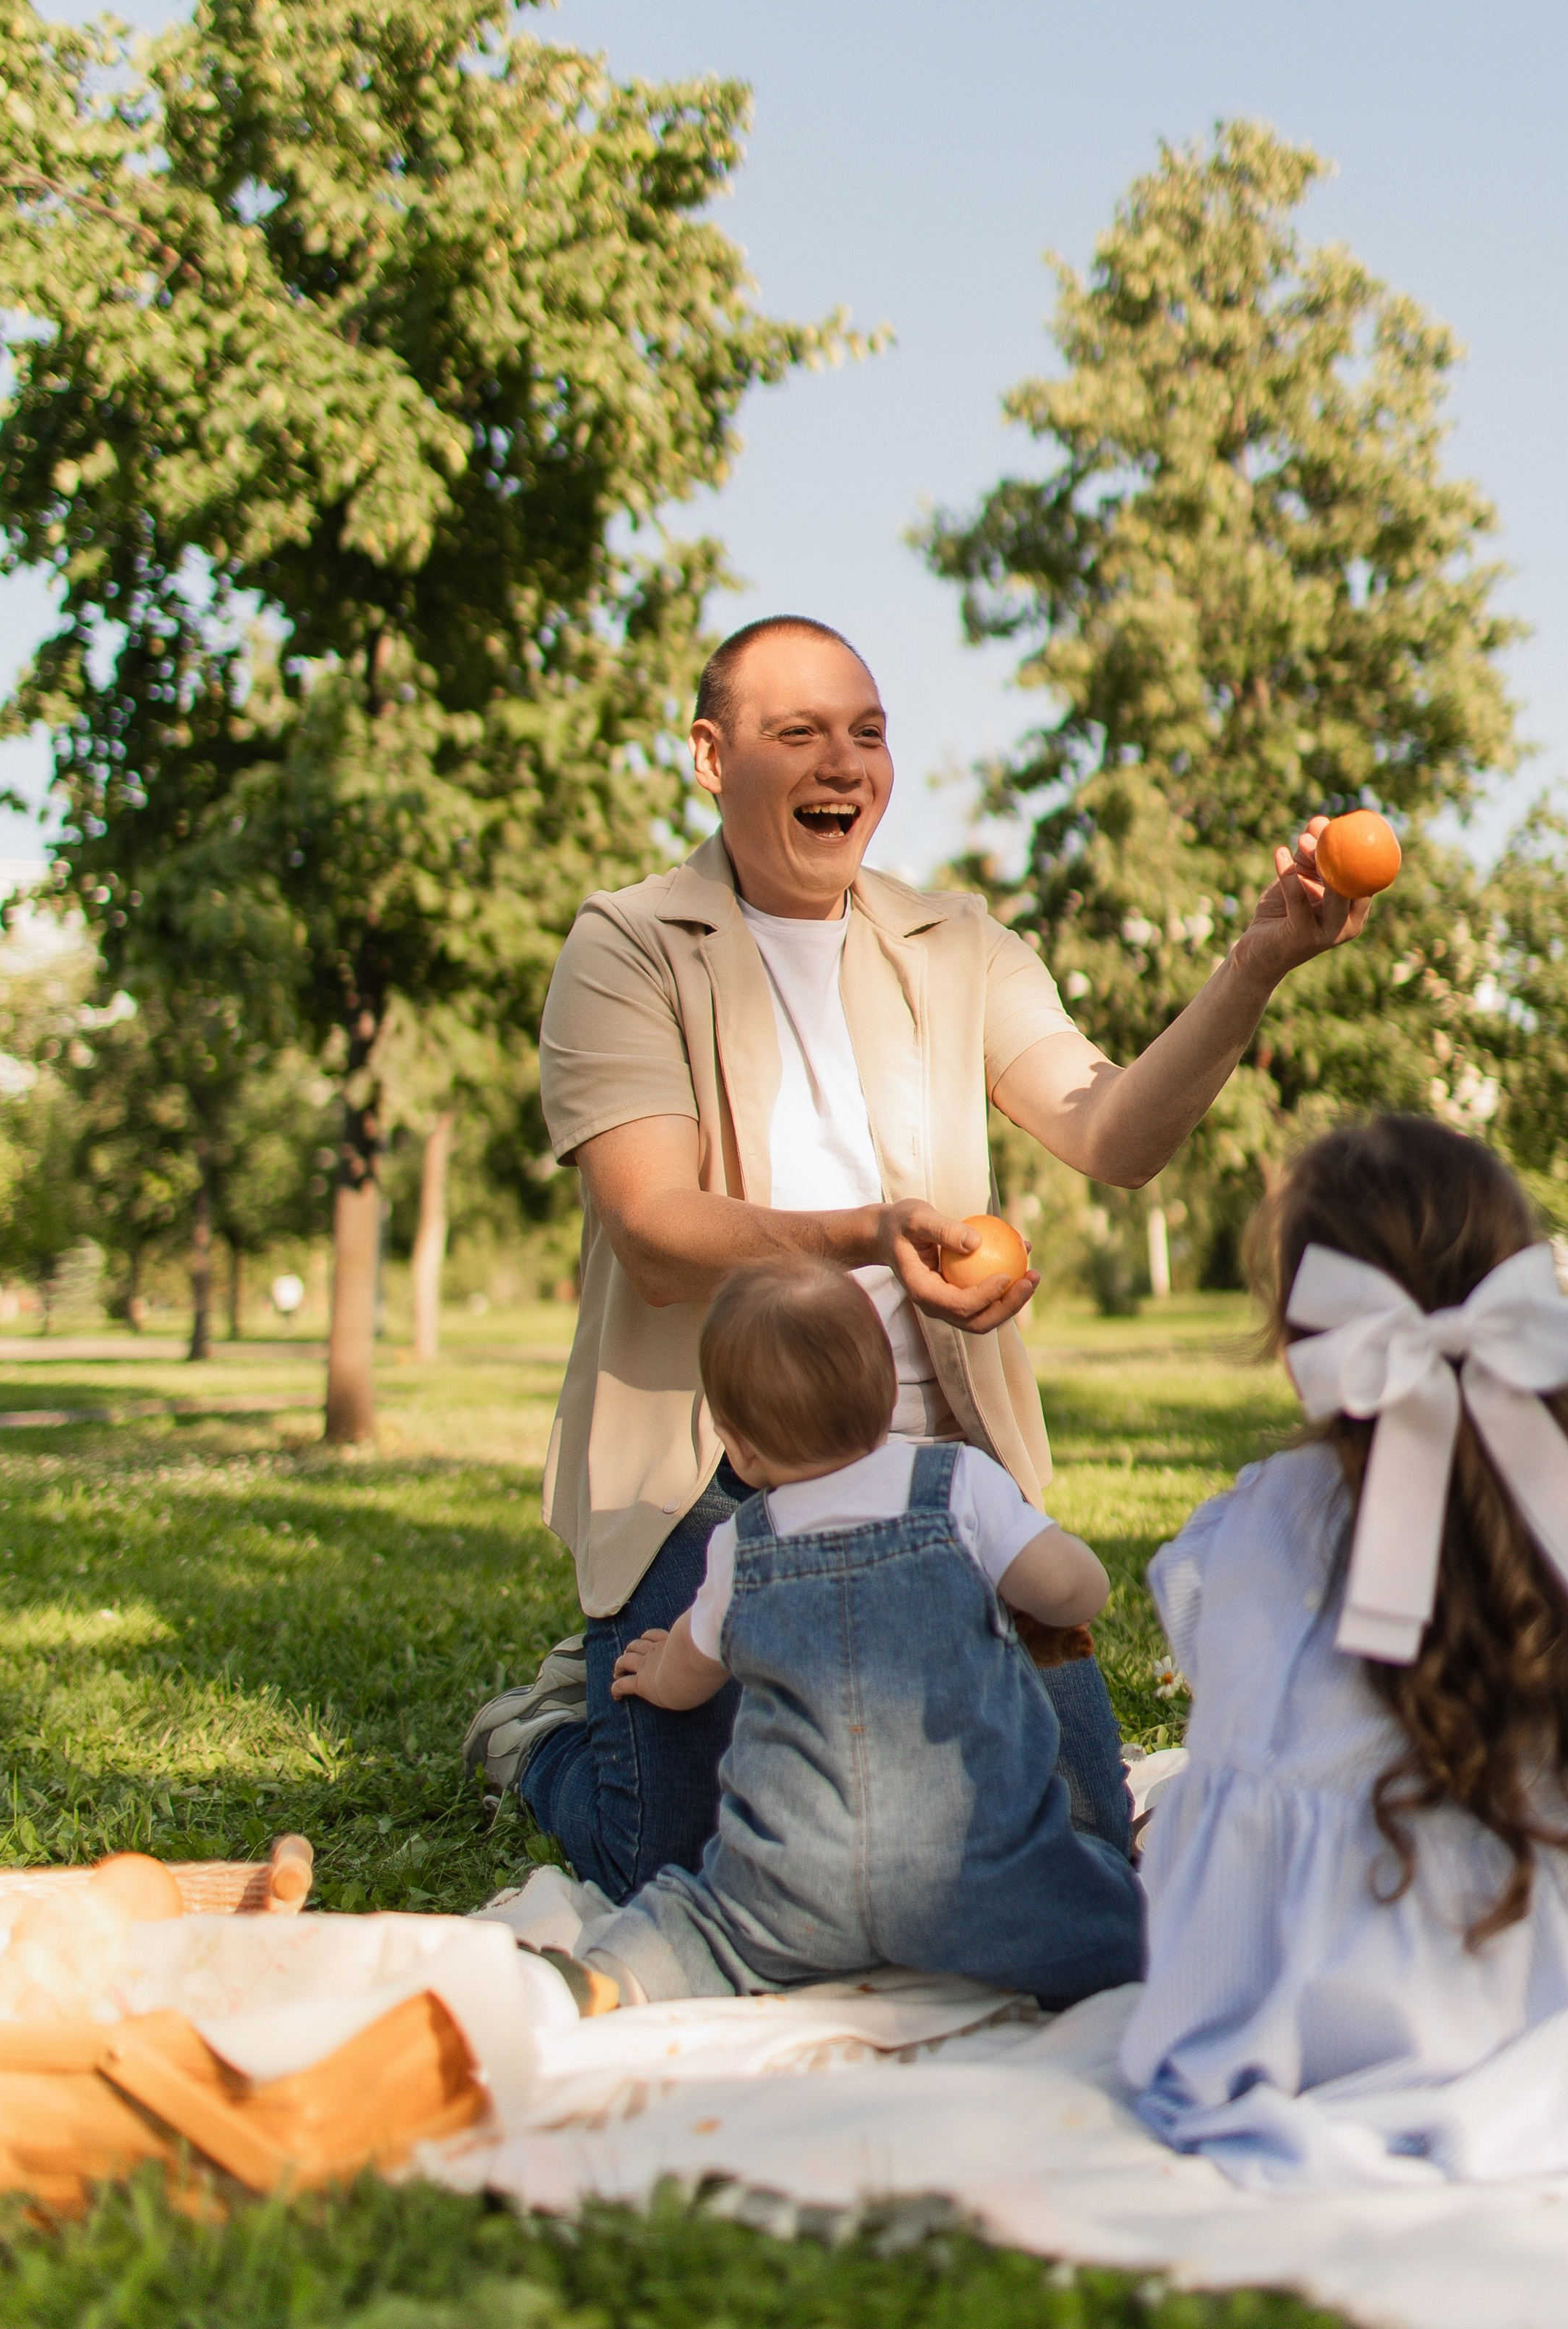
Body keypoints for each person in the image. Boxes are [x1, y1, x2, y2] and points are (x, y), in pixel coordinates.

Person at [465, 611, 1371, 1902]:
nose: (845, 766)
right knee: (690, 1861)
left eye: (869, 735)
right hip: (717, 1467)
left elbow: (1111, 1132)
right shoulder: (626, 946)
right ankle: (549, 1733)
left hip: (932, 1461)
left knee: (1068, 1840)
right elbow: (655, 1231)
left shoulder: (960, 947)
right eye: (800, 735)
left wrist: (1258, 964)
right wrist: (868, 1235)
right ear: (713, 758)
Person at [1122, 1114, 1568, 2189]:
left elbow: (1238, 1724)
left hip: (1278, 2003)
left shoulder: (1249, 1529)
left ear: (1299, 1334)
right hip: (1524, 1986)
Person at [567, 1256, 1144, 2010]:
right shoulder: (959, 1486)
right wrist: (1053, 1589)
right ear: (886, 1397)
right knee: (1117, 1918)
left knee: (694, 1926)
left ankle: (599, 1978)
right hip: (979, 1874)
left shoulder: (741, 1546)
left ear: (738, 1447)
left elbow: (689, 1671)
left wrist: (652, 1674)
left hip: (789, 1885)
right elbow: (1073, 1590)